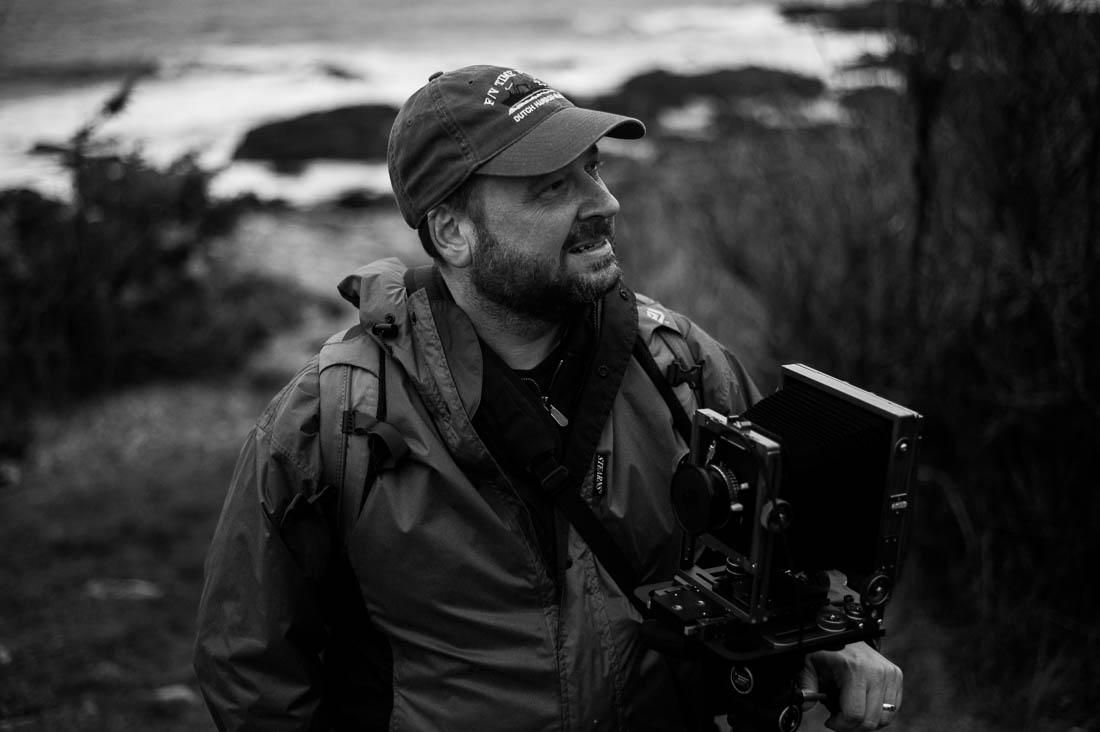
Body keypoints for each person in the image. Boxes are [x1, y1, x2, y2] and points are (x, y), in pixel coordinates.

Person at [194, 64, 903, 732]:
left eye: (592, 170)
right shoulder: (334, 418)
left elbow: (778, 555)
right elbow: (252, 671)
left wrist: (825, 639)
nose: (606, 203)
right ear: (453, 233)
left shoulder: (679, 364)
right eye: (552, 187)